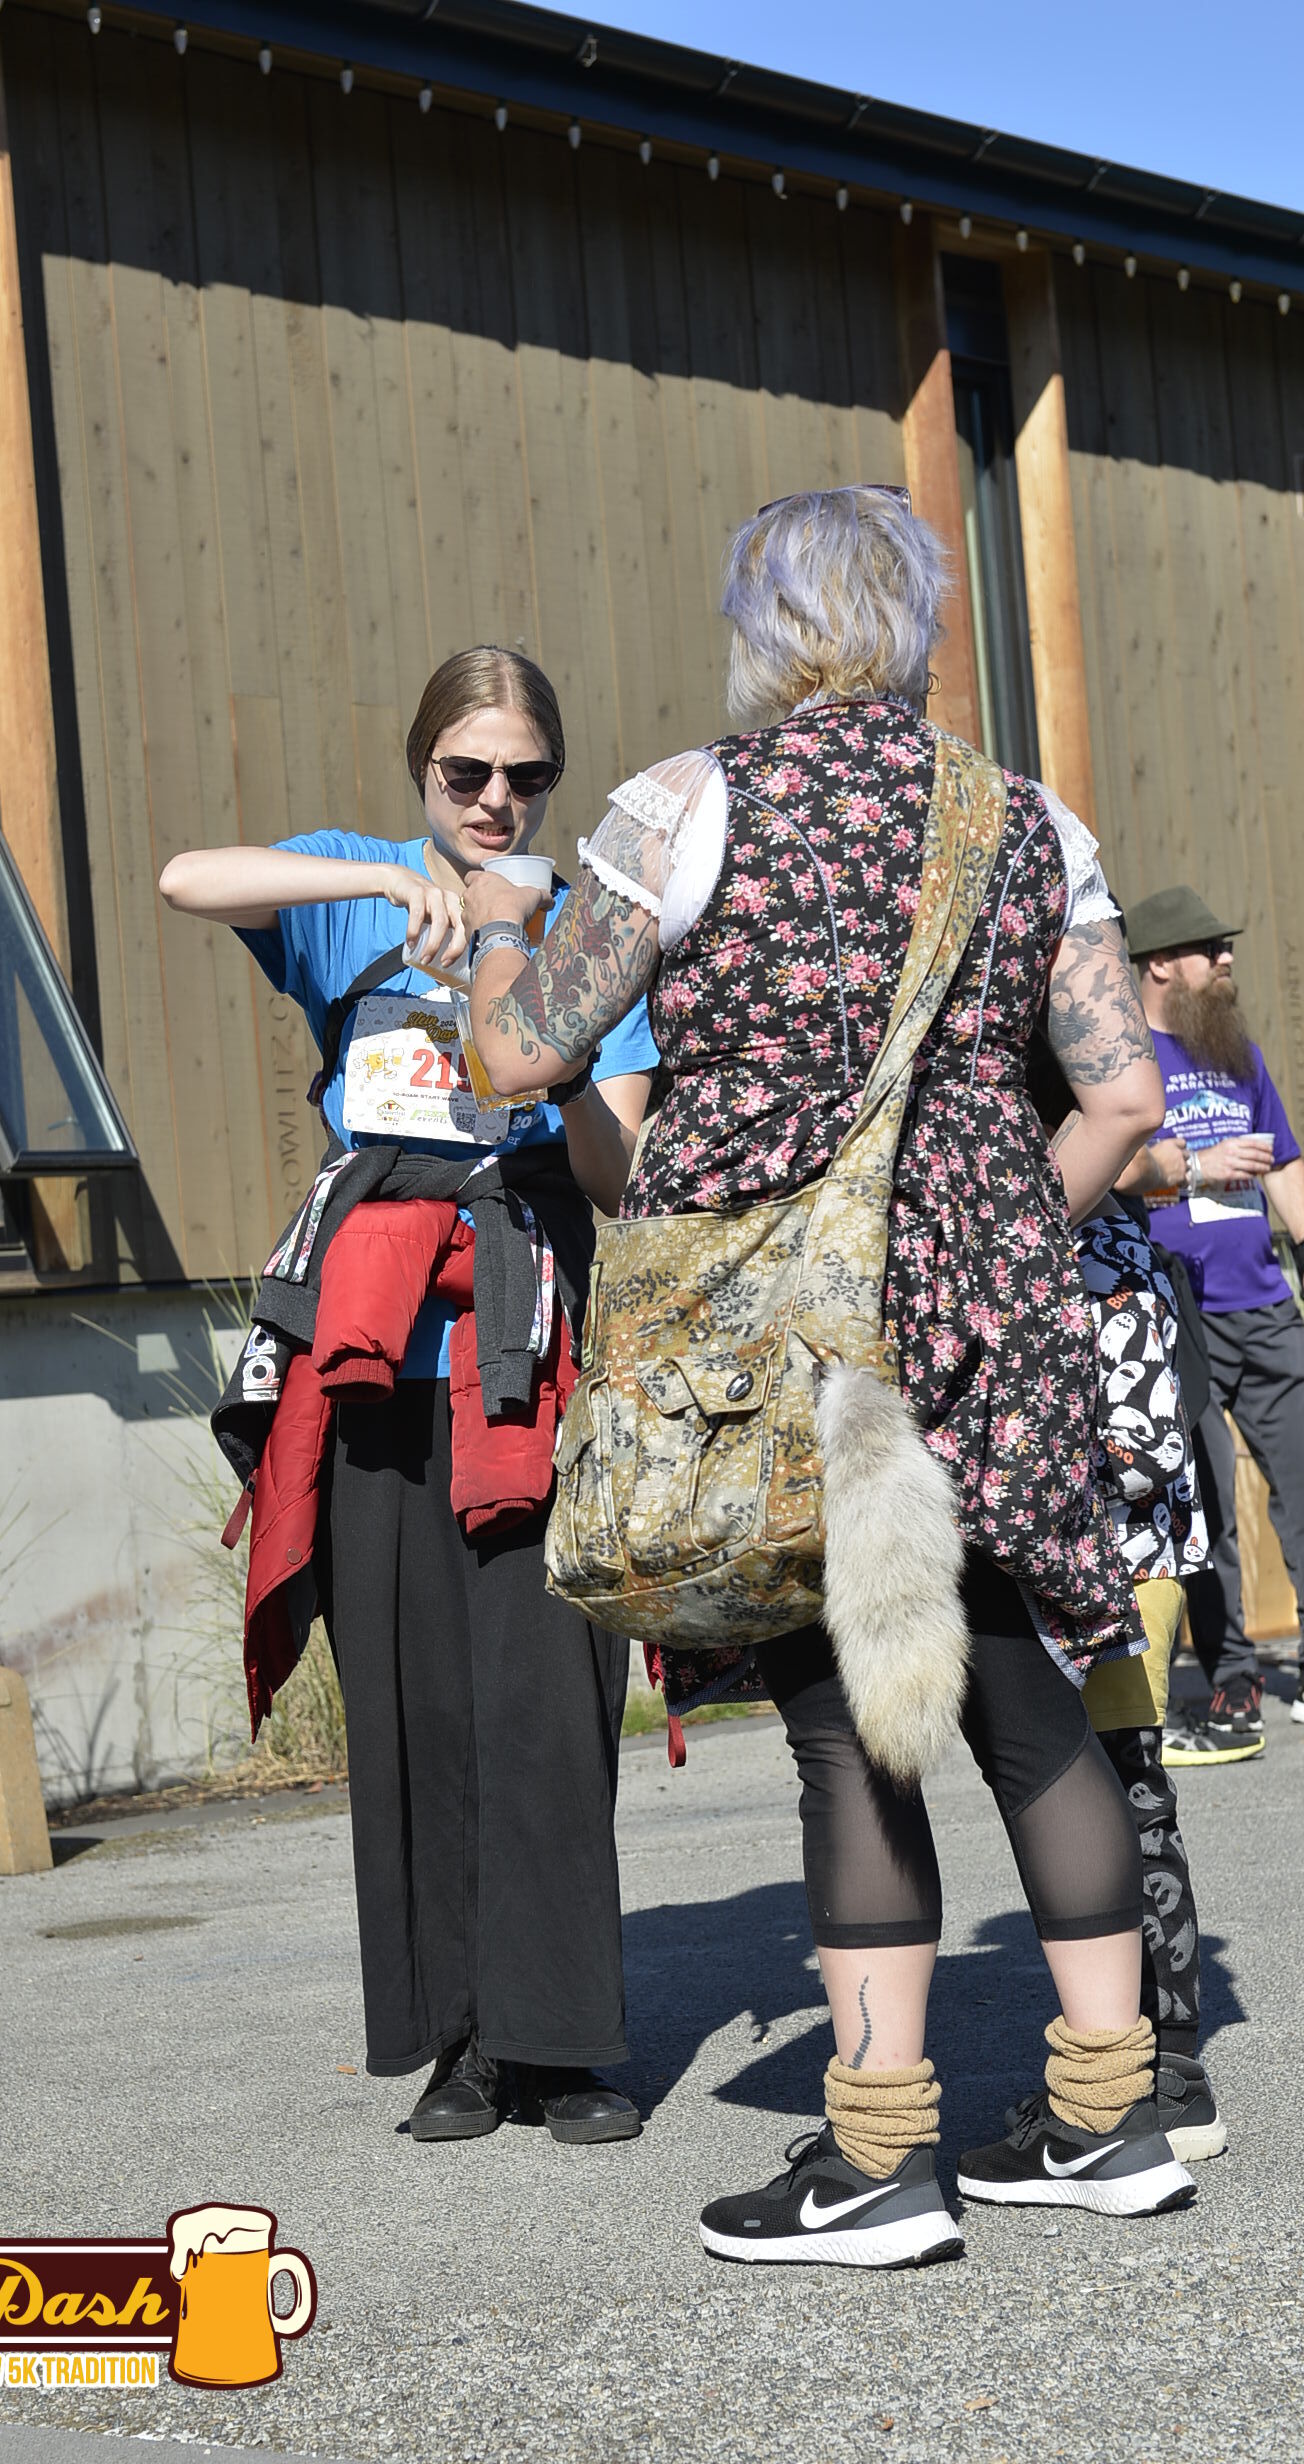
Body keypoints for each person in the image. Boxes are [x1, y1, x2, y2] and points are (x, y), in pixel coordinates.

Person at [460, 487, 1193, 2266]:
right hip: (992, 1317)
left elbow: (521, 1054)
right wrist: (996, 1237)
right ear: (915, 629)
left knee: (846, 1724)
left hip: (784, 1328)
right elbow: (1122, 1099)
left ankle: (876, 2160)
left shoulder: (685, 803)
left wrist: (493, 923)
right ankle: (1112, 2118)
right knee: (1025, 1701)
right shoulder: (1029, 821)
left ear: (765, 631)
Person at [159, 646, 656, 2148]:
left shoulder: (590, 927)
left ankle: (565, 2045)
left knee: (546, 1703)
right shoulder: (350, 887)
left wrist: (551, 1033)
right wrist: (387, 887)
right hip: (377, 1367)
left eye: (526, 775)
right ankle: (462, 2045)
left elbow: (617, 1174)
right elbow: (186, 879)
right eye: (466, 771)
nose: (496, 799)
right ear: (422, 766)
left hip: (531, 1357)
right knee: (413, 1702)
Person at [1026, 1039, 1224, 2161]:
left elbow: (1143, 1445)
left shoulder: (1100, 1244)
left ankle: (1171, 2061)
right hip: (1077, 1565)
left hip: (1115, 1568)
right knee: (1098, 1791)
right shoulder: (1088, 1235)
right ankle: (1132, 2045)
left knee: (1127, 1791)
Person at [1116, 888, 1304, 1763]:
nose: (1226, 960)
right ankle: (1234, 1684)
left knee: (1301, 1484)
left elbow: (1285, 1170)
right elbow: (1113, 1168)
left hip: (1263, 1308)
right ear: (1161, 963)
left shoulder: (1237, 1054)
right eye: (1208, 948)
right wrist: (1198, 1167)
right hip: (1176, 1317)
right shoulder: (1124, 1064)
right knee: (1211, 1508)